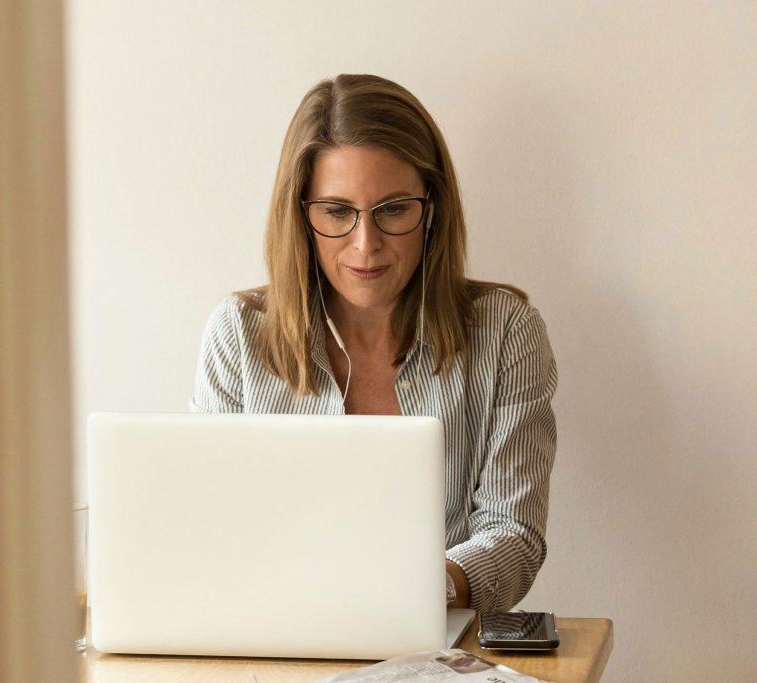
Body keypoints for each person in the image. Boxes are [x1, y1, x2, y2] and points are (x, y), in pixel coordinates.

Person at [190, 73, 557, 614]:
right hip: (272, 639)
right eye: (337, 212)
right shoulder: (238, 335)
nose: (366, 245)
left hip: (437, 649)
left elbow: (514, 535)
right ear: (302, 215)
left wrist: (418, 590)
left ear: (431, 208)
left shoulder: (505, 332)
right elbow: (210, 529)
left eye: (393, 209)